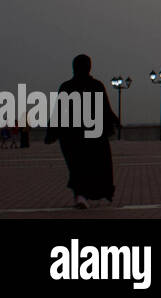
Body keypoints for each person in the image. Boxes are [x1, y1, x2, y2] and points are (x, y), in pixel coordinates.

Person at [45, 55, 118, 209]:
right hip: (87, 134)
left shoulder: (68, 86)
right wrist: (114, 121)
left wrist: (51, 132)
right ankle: (81, 195)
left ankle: (80, 195)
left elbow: (59, 112)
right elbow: (105, 109)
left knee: (78, 165)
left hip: (73, 136)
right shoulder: (95, 85)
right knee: (87, 165)